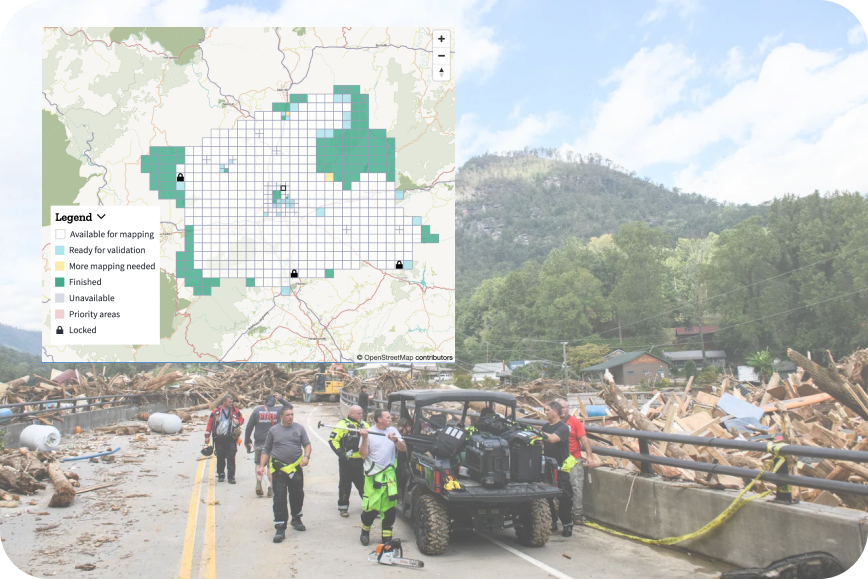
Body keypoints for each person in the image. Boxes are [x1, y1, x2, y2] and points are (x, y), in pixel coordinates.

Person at [258, 405, 312, 543]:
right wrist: (262, 466)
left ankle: (296, 518)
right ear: (281, 417)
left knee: (297, 494)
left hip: (295, 468)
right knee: (280, 497)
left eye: (292, 414)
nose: (290, 417)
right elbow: (266, 448)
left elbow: (307, 444)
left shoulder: (299, 428)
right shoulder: (273, 430)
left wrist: (306, 456)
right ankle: (280, 527)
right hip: (279, 470)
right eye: (287, 415)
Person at [358, 409, 406, 546]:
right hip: (373, 475)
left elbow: (403, 448)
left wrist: (396, 440)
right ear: (379, 419)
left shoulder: (393, 431)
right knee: (370, 507)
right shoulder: (368, 433)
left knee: (390, 508)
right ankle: (365, 531)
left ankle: (386, 536)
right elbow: (363, 455)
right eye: (388, 417)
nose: (391, 420)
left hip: (389, 475)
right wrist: (365, 438)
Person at [557, 398, 597, 526]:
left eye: (565, 407)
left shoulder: (575, 422)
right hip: (559, 460)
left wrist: (589, 457)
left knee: (576, 486)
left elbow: (584, 440)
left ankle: (578, 513)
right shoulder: (552, 423)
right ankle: (558, 513)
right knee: (557, 487)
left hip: (573, 458)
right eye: (560, 408)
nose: (563, 410)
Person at [245, 393, 292, 497]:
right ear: (274, 402)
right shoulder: (279, 410)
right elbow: (289, 407)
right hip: (273, 443)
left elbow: (249, 427)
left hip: (259, 442)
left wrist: (247, 440)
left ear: (265, 402)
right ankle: (270, 487)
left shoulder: (257, 410)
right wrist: (281, 399)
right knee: (271, 466)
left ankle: (258, 482)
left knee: (258, 463)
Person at [539, 400, 573, 537]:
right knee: (548, 495)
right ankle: (552, 521)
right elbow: (541, 442)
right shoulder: (546, 426)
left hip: (561, 467)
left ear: (555, 411)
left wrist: (537, 433)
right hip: (548, 465)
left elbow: (553, 439)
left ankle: (567, 524)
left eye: (547, 410)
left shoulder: (563, 427)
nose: (545, 412)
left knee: (564, 496)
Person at [329, 405, 370, 517]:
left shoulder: (365, 425)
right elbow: (333, 440)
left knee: (364, 485)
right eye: (358, 413)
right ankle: (343, 507)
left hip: (361, 461)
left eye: (361, 413)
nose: (361, 415)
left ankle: (369, 507)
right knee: (345, 485)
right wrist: (340, 453)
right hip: (347, 461)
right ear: (351, 414)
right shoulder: (342, 425)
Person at [205, 395, 244, 484]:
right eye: (229, 402)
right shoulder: (216, 412)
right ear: (224, 402)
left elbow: (241, 419)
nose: (231, 404)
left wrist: (239, 422)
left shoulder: (235, 411)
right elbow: (210, 423)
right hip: (219, 438)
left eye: (231, 402)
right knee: (220, 457)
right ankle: (221, 474)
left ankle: (231, 477)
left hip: (231, 438)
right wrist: (207, 436)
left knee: (231, 457)